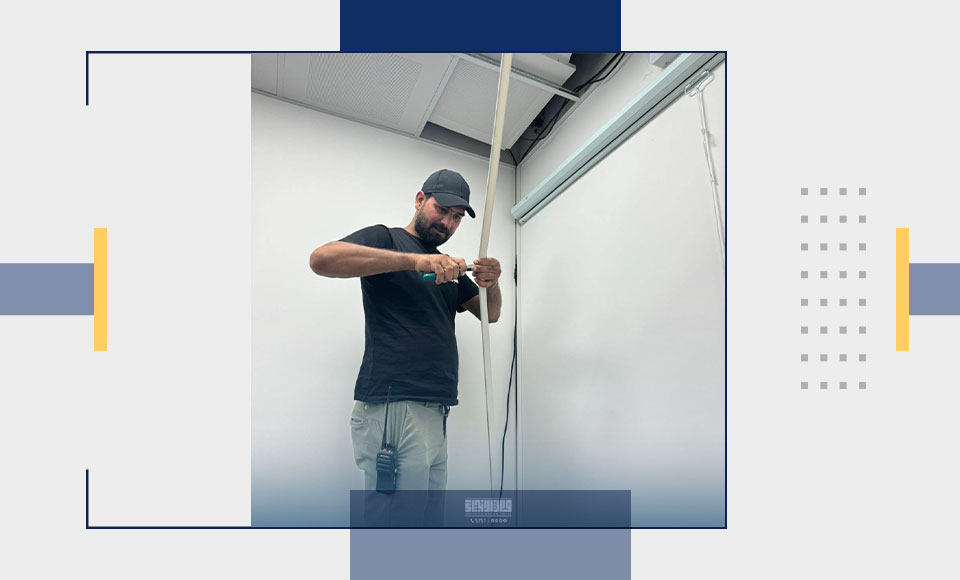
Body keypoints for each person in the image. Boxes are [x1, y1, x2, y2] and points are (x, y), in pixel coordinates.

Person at [309, 168, 502, 525]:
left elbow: (491, 314)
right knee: (395, 526)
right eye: (442, 210)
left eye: (457, 217)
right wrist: (415, 261)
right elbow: (321, 259)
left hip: (436, 409)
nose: (448, 223)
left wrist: (492, 282)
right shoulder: (387, 239)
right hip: (394, 404)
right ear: (419, 200)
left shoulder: (447, 268)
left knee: (427, 522)